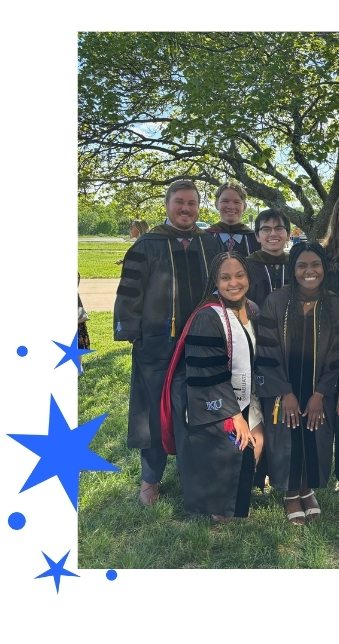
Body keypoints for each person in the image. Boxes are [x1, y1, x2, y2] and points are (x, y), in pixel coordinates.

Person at [113, 179, 226, 507]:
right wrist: (134, 334)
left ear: (199, 207)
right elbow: (129, 293)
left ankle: (203, 476)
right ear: (167, 205)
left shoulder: (212, 246)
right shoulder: (147, 245)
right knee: (153, 413)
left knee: (203, 411)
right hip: (159, 344)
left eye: (192, 203)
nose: (186, 209)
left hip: (203, 344)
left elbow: (227, 288)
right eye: (179, 202)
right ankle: (150, 478)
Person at [168, 252, 265, 521]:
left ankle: (238, 487)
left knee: (259, 441)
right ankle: (219, 502)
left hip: (247, 395)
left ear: (248, 277)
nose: (233, 283)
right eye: (225, 277)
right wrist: (234, 415)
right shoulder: (208, 317)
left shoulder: (252, 309)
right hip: (213, 399)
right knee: (237, 443)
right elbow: (207, 373)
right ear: (215, 280)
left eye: (239, 275)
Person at [254, 243, 339, 525]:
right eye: (302, 265)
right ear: (293, 269)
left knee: (315, 434)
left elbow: (338, 353)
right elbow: (267, 352)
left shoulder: (333, 303)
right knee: (286, 434)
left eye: (315, 264)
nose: (309, 271)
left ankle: (308, 487)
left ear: (324, 268)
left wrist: (320, 393)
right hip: (284, 389)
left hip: (319, 388)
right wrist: (284, 391)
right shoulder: (276, 301)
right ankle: (291, 491)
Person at [243, 209, 295, 308]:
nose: (273, 234)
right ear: (257, 236)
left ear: (288, 235)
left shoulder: (296, 265)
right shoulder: (245, 267)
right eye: (266, 229)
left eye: (279, 228)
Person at [206, 182, 256, 256]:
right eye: (225, 201)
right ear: (216, 205)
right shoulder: (204, 239)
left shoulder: (255, 240)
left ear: (244, 207)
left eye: (237, 202)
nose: (231, 206)